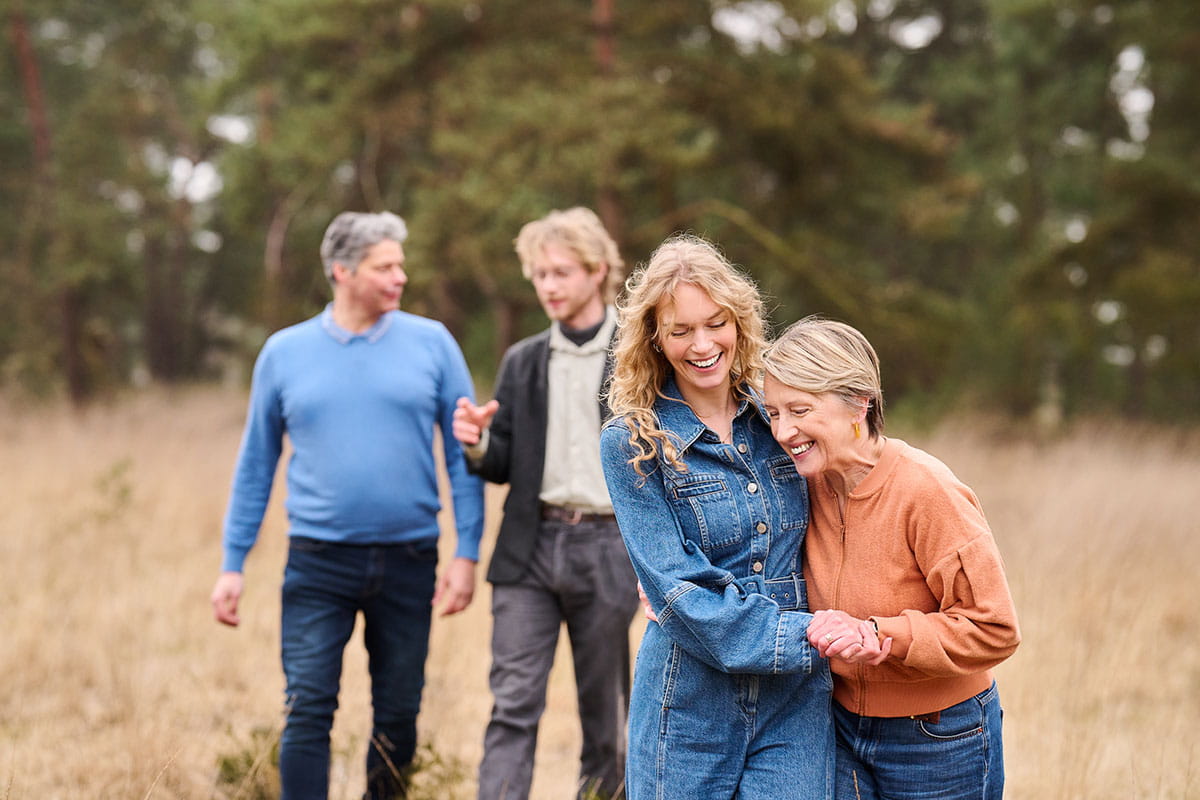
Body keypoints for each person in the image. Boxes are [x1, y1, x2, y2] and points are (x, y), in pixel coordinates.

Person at [209, 210, 485, 800]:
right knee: (307, 706)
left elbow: (466, 455)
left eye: (400, 265)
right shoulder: (283, 353)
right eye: (385, 267)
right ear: (342, 271)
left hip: (410, 560)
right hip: (317, 562)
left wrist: (466, 552)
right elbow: (256, 464)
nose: (400, 276)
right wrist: (233, 563)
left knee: (399, 714)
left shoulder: (434, 344)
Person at [598, 234, 834, 800]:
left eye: (716, 323)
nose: (702, 344)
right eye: (680, 330)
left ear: (739, 323)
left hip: (795, 700)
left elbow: (849, 498)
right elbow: (678, 588)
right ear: (654, 338)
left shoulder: (782, 419)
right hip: (688, 696)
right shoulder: (631, 443)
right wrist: (809, 635)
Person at [761, 315, 1021, 800]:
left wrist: (885, 635)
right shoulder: (803, 484)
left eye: (800, 410)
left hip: (939, 737)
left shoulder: (928, 490)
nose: (782, 431)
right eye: (774, 413)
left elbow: (995, 628)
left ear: (860, 403)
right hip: (836, 728)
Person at [452, 207, 638, 800]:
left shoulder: (638, 355)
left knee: (606, 714)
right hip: (528, 549)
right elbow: (503, 462)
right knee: (512, 705)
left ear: (598, 270)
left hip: (610, 547)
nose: (548, 286)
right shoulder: (523, 360)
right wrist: (478, 442)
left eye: (561, 272)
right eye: (539, 274)